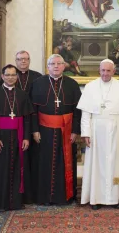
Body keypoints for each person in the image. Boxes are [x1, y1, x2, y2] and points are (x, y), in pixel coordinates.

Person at [78, 59, 119, 209]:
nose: (105, 73)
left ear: (114, 71)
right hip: (96, 131)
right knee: (97, 165)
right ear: (99, 70)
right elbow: (85, 114)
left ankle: (115, 198)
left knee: (117, 165)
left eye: (108, 71)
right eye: (103, 70)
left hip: (118, 131)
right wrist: (86, 134)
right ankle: (95, 199)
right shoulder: (90, 87)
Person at [31, 54, 81, 205]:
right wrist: (34, 130)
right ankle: (44, 197)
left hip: (66, 131)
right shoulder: (38, 83)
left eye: (59, 63)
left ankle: (65, 196)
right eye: (53, 63)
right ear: (48, 66)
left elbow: (78, 110)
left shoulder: (72, 84)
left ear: (64, 66)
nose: (56, 66)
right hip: (44, 130)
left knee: (65, 162)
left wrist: (74, 131)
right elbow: (32, 109)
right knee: (44, 163)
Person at [0, 65, 33, 211]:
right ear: (2, 76)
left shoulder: (22, 95)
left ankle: (15, 202)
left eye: (13, 75)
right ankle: (0, 203)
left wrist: (26, 137)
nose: (11, 77)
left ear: (17, 77)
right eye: (8, 75)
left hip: (17, 137)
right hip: (0, 137)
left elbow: (26, 119)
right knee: (1, 169)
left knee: (16, 168)